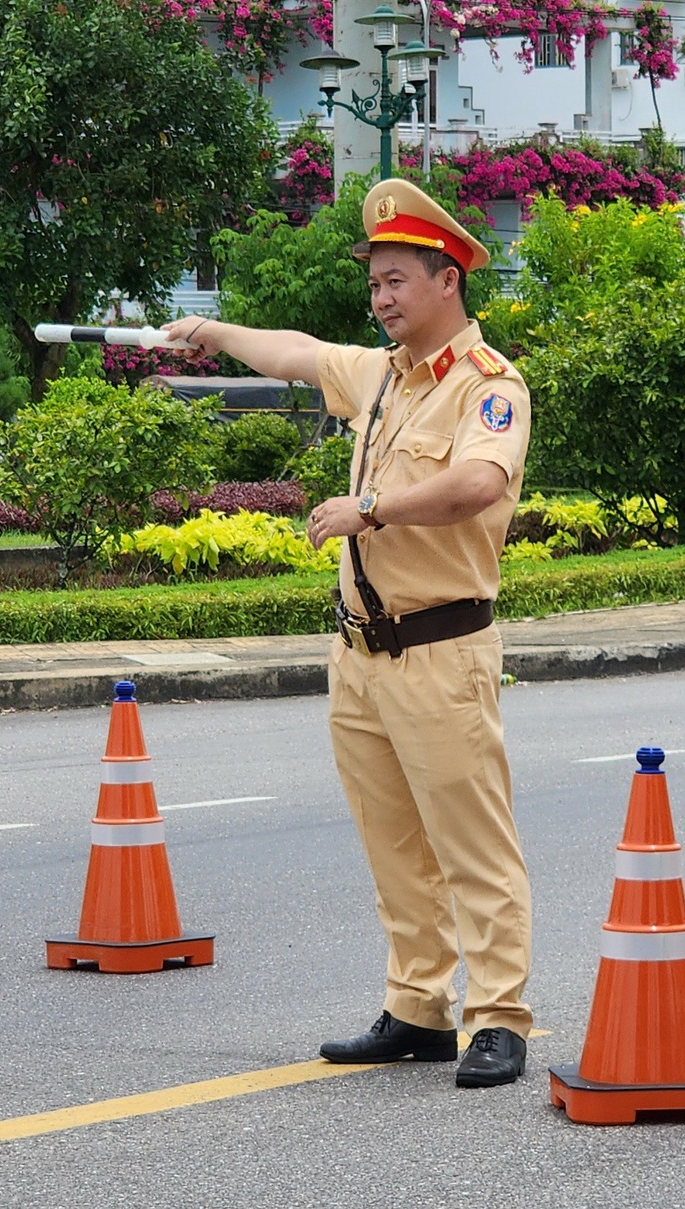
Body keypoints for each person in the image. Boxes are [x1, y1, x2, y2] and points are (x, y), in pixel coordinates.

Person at [162, 177, 536, 1089]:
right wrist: (212, 333)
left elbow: (480, 488)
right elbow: (295, 353)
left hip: (441, 649)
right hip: (361, 655)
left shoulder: (491, 388)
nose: (381, 299)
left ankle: (498, 1017)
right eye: (374, 283)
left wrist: (371, 507)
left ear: (448, 279)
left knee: (472, 844)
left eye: (397, 280)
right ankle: (417, 1005)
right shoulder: (380, 377)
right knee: (393, 844)